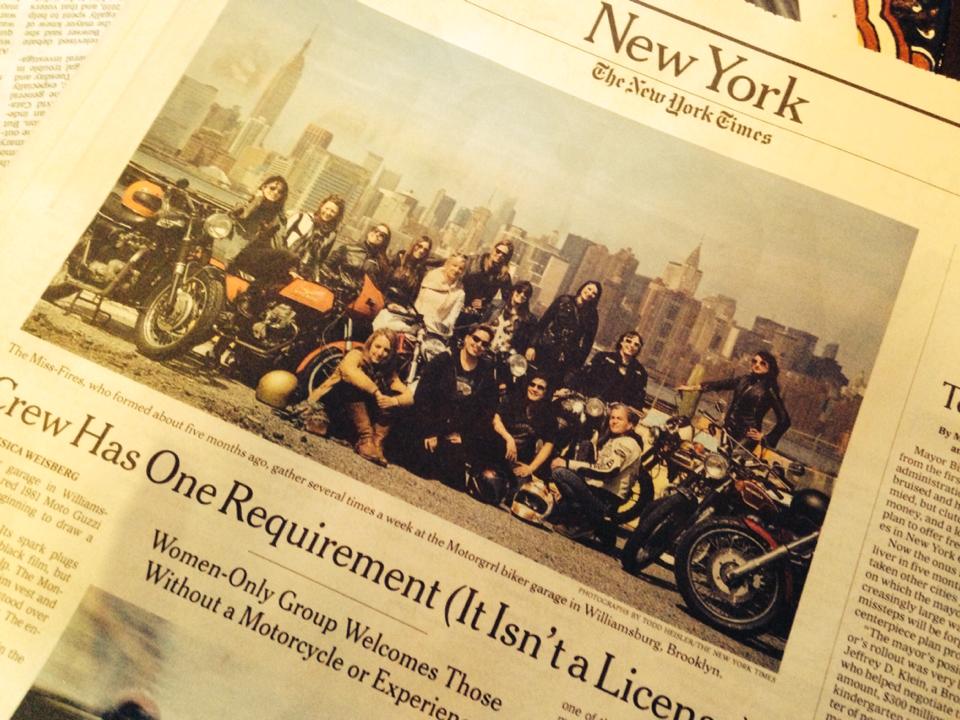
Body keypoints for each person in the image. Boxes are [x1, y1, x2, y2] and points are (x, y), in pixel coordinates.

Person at [305, 328, 413, 466]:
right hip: (332, 403)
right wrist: (375, 391)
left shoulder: (387, 371)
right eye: (377, 346)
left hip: (354, 416)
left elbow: (409, 396)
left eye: (386, 350)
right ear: (370, 344)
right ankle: (365, 439)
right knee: (352, 386)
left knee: (393, 398)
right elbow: (350, 372)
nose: (380, 353)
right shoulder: (356, 354)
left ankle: (376, 443)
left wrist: (394, 401)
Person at [414, 323, 498, 487]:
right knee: (419, 464)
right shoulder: (444, 360)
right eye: (476, 339)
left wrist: (465, 437)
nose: (478, 345)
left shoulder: (486, 375)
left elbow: (487, 413)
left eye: (484, 344)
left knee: (453, 479)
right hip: (430, 426)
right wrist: (430, 431)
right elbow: (422, 395)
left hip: (454, 434)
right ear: (466, 338)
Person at [549, 404, 642, 539]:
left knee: (560, 473)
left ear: (630, 425)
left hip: (605, 499)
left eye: (619, 419)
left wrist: (568, 464)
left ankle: (587, 523)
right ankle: (584, 519)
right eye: (612, 418)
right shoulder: (617, 440)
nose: (614, 421)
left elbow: (608, 471)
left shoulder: (627, 444)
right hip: (599, 493)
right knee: (554, 513)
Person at [677, 349, 791, 449]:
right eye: (754, 361)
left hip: (747, 436)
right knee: (719, 460)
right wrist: (692, 388)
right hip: (729, 429)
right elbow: (721, 384)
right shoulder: (744, 380)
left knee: (732, 460)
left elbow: (784, 420)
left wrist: (766, 438)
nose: (757, 365)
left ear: (770, 368)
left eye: (762, 363)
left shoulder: (770, 389)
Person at [526, 280, 602, 386]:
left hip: (566, 358)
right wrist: (531, 346)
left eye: (594, 293)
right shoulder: (563, 300)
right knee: (531, 380)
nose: (590, 293)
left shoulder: (592, 315)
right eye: (589, 289)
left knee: (551, 386)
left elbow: (587, 345)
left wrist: (574, 369)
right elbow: (543, 323)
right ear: (583, 287)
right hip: (545, 348)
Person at [491, 373, 559, 484]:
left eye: (540, 388)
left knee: (523, 487)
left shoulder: (548, 415)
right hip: (498, 451)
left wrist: (531, 468)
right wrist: (509, 439)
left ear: (546, 393)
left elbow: (549, 444)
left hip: (519, 461)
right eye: (532, 385)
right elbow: (496, 420)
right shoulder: (513, 400)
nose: (534, 389)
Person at [229, 176, 294, 283]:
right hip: (236, 249)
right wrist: (257, 200)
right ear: (263, 187)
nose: (275, 193)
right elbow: (243, 216)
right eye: (272, 188)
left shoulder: (279, 217)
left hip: (256, 255)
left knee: (287, 259)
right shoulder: (246, 203)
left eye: (280, 192)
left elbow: (280, 242)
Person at [574, 331, 648, 410]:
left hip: (618, 411)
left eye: (636, 344)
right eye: (628, 341)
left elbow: (639, 398)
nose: (631, 345)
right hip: (592, 404)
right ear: (621, 342)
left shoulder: (641, 372)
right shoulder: (602, 358)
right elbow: (584, 377)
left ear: (639, 349)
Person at [283, 194, 346, 283]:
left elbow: (320, 260)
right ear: (321, 206)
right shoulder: (302, 217)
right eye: (327, 208)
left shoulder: (332, 234)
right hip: (285, 263)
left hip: (304, 273)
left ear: (337, 215)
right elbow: (281, 239)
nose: (328, 213)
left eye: (333, 211)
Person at [320, 222, 392, 300]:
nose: (377, 234)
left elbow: (380, 291)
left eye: (382, 235)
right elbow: (325, 266)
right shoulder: (348, 248)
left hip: (360, 301)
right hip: (336, 295)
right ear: (369, 232)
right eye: (375, 230)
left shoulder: (382, 264)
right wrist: (337, 279)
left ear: (385, 241)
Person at [455, 240, 514, 331]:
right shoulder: (474, 261)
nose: (499, 255)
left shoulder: (503, 276)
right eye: (498, 251)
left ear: (507, 259)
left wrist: (486, 304)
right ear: (493, 249)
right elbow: (456, 276)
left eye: (504, 255)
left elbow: (508, 299)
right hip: (456, 303)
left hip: (472, 316)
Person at [414, 254, 466, 338]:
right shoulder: (430, 277)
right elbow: (417, 299)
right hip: (414, 321)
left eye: (461, 268)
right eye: (454, 265)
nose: (456, 270)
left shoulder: (460, 293)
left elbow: (451, 318)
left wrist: (439, 329)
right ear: (447, 264)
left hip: (432, 331)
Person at [488, 280, 538, 356]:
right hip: (487, 347)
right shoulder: (496, 305)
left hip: (505, 354)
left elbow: (529, 339)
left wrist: (531, 347)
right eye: (519, 291)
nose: (522, 295)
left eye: (526, 294)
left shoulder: (527, 319)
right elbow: (484, 323)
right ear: (513, 290)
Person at [384, 235, 433, 307]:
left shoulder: (420, 271)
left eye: (425, 250)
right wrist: (387, 303)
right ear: (413, 245)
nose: (422, 251)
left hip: (401, 308)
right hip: (384, 302)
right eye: (419, 246)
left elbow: (414, 296)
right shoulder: (398, 258)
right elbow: (383, 283)